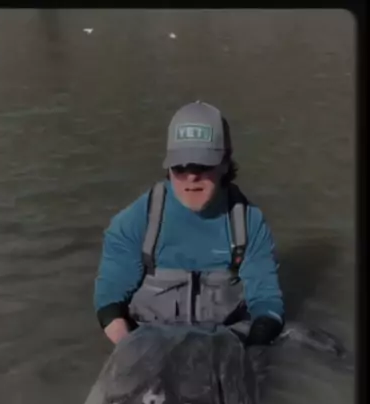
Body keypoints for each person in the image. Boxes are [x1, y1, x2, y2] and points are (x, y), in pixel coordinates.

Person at [94, 101, 284, 347]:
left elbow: (267, 303)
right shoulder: (134, 222)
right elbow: (110, 301)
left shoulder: (250, 224)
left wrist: (253, 348)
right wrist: (131, 350)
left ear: (225, 163)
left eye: (203, 166)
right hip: (149, 345)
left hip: (224, 345)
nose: (191, 176)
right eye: (180, 166)